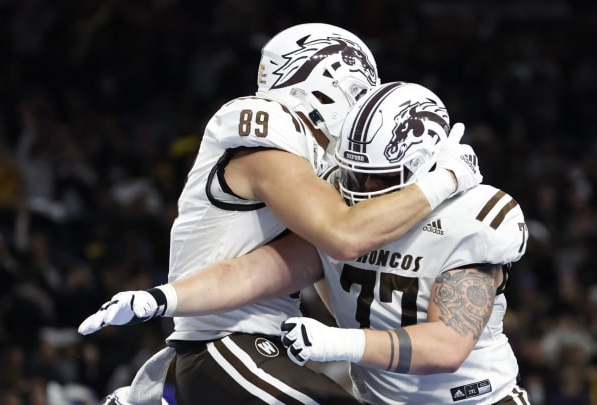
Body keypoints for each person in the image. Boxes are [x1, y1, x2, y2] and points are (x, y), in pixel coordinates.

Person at [78, 24, 482, 405]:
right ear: (330, 86)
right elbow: (343, 237)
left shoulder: (316, 168)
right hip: (228, 344)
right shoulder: (268, 130)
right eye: (359, 93)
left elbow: (301, 270)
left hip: (259, 345)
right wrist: (447, 178)